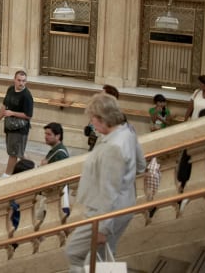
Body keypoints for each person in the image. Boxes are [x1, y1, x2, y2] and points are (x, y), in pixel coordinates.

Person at [65, 93, 145, 273]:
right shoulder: (127, 131)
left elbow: (109, 191)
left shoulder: (113, 146)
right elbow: (140, 166)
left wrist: (103, 227)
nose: (91, 123)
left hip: (104, 212)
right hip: (122, 207)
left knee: (78, 254)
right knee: (97, 257)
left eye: (92, 118)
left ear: (102, 118)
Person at [0, 70, 33, 176]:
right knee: (19, 152)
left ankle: (7, 175)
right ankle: (34, 168)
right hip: (10, 126)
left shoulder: (27, 96)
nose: (21, 83)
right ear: (14, 80)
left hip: (19, 129)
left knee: (13, 153)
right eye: (19, 80)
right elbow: (4, 106)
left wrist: (12, 113)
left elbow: (28, 115)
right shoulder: (10, 89)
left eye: (24, 81)